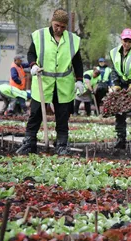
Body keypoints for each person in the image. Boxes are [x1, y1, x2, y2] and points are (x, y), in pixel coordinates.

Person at [16, 8, 83, 155]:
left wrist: (79, 80)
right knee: (35, 113)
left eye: (63, 27)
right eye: (56, 25)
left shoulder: (72, 40)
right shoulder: (39, 36)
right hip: (43, 81)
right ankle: (29, 142)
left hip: (63, 84)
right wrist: (33, 65)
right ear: (52, 22)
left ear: (67, 27)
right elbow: (31, 53)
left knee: (63, 115)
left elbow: (77, 61)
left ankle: (61, 144)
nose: (59, 29)